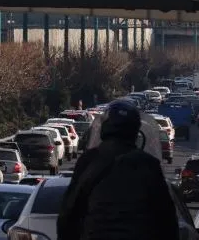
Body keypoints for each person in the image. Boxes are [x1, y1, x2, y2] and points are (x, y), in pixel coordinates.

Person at [57, 98, 181, 240]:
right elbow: (167, 219)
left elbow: (68, 213)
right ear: (135, 131)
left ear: (105, 127)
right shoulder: (148, 165)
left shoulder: (89, 160)